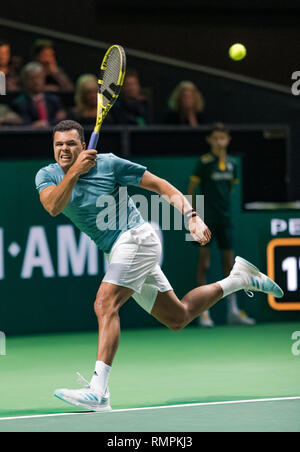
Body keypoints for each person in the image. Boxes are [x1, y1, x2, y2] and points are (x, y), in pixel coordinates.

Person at [35, 120, 283, 412]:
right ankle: (239, 279)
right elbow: (52, 206)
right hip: (115, 250)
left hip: (136, 239)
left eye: (71, 144)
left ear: (83, 144)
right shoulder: (47, 175)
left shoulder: (109, 164)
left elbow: (160, 185)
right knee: (178, 317)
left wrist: (191, 216)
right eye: (59, 144)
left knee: (105, 304)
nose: (64, 149)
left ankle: (99, 391)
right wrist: (76, 171)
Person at [187, 123, 255, 327]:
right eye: (215, 138)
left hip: (225, 221)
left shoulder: (233, 164)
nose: (219, 142)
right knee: (204, 265)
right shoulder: (203, 163)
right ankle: (203, 313)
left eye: (222, 138)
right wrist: (193, 217)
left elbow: (230, 191)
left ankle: (232, 311)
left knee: (229, 267)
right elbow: (190, 191)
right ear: (210, 140)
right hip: (205, 221)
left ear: (227, 140)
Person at [12, 62, 67, 128]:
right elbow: (24, 124)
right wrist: (33, 125)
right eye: (32, 78)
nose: (36, 82)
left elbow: (63, 120)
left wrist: (46, 123)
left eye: (39, 77)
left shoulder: (54, 100)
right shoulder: (19, 103)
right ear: (24, 80)